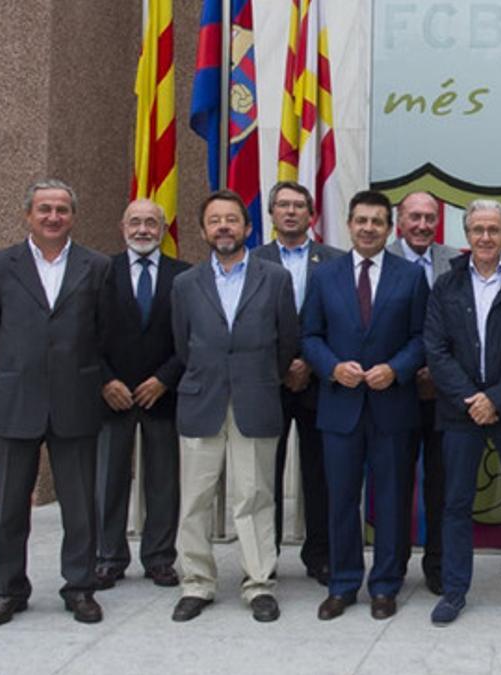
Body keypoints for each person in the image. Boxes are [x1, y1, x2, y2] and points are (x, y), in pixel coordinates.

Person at [0, 179, 112, 626]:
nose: (53, 217)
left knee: (79, 505)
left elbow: (104, 331)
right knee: (11, 503)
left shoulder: (96, 266)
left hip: (76, 399)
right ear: (28, 215)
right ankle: (9, 589)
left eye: (61, 210)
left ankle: (79, 586)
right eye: (44, 210)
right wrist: (20, 368)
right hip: (17, 400)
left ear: (73, 216)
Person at [169, 189, 299, 623]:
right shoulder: (185, 284)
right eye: (214, 220)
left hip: (256, 398)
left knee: (255, 496)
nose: (223, 227)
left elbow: (286, 343)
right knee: (195, 500)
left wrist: (258, 376)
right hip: (201, 400)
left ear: (247, 228)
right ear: (204, 230)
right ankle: (197, 583)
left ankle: (258, 584)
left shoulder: (275, 278)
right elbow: (183, 345)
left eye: (232, 219)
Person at [423, 199, 501, 627]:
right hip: (461, 413)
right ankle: (455, 591)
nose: (484, 237)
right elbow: (437, 350)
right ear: (467, 234)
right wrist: (472, 398)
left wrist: (496, 398)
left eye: (493, 230)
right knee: (456, 503)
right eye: (477, 229)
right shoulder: (447, 286)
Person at [301, 190, 429, 621]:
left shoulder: (410, 277)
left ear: (389, 228)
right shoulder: (324, 276)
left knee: (392, 500)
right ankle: (343, 583)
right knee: (340, 500)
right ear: (350, 224)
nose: (369, 228)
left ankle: (386, 585)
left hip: (392, 406)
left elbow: (421, 339)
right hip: (340, 406)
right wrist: (332, 368)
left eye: (377, 221)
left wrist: (396, 369)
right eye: (361, 221)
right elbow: (310, 337)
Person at [95, 199, 190, 590]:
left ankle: (159, 558)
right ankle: (109, 557)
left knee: (164, 481)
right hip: (111, 395)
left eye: (152, 222)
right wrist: (105, 381)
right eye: (135, 222)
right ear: (122, 227)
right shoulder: (100, 273)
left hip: (163, 394)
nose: (143, 229)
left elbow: (192, 337)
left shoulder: (183, 277)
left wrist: (165, 378)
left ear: (164, 229)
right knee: (109, 479)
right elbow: (83, 333)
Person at [253, 181, 344, 586]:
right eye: (283, 205)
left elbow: (339, 324)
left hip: (319, 382)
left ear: (311, 215)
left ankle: (320, 554)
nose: (290, 212)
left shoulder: (335, 262)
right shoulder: (252, 260)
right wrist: (282, 365)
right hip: (267, 384)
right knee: (263, 476)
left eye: (298, 206)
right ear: (271, 214)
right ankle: (263, 555)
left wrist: (308, 361)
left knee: (319, 474)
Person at [387, 191, 460, 596]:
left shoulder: (455, 261)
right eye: (414, 217)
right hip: (394, 392)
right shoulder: (381, 260)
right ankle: (393, 565)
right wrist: (406, 369)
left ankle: (438, 565)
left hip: (445, 395)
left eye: (429, 218)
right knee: (395, 485)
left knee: (441, 485)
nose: (422, 225)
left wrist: (440, 371)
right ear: (400, 220)